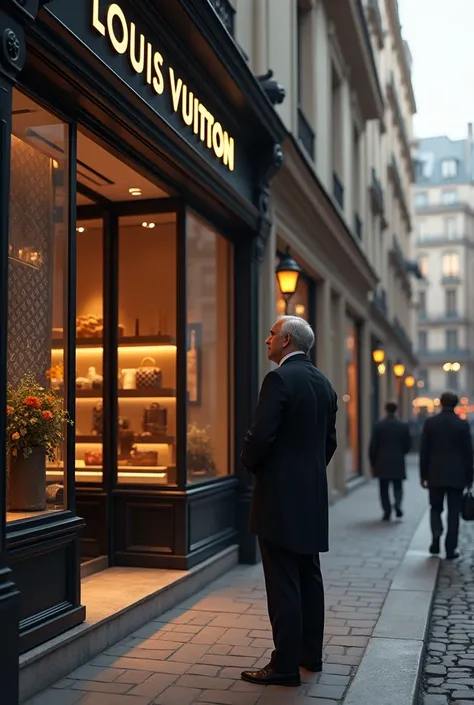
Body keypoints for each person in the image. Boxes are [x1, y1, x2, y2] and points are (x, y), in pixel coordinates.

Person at [240, 315, 337, 687]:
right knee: (308, 577)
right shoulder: (324, 383)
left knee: (282, 584)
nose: (267, 340)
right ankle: (310, 654)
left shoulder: (279, 378)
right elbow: (329, 443)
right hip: (311, 497)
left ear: (286, 340)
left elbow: (259, 437)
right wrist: (306, 473)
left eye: (271, 334)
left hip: (278, 499)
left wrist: (253, 466)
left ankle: (283, 667)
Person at [420, 391, 473, 559]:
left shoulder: (430, 423)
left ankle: (436, 537)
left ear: (440, 403)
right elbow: (468, 453)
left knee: (435, 508)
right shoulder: (462, 425)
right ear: (456, 404)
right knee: (454, 512)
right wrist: (470, 476)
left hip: (435, 473)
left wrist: (423, 474)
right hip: (457, 475)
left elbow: (424, 451)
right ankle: (451, 548)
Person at [369, 401, 411, 521]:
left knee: (384, 488)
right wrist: (402, 453)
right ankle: (397, 504)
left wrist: (373, 462)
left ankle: (387, 511)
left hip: (382, 460)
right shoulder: (402, 426)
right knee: (398, 485)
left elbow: (373, 446)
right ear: (396, 410)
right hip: (398, 459)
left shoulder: (379, 425)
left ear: (386, 410)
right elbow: (408, 445)